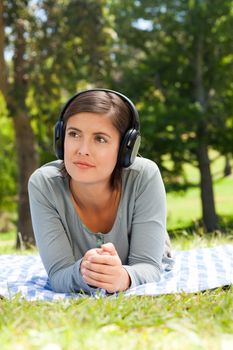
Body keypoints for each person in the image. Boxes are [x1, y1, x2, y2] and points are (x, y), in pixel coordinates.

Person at [28, 88, 173, 295]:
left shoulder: (144, 176)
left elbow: (148, 267)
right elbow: (59, 274)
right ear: (61, 139)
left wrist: (123, 277)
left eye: (100, 139)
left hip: (146, 256)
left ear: (125, 148)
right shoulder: (43, 185)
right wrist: (84, 272)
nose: (82, 149)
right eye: (74, 134)